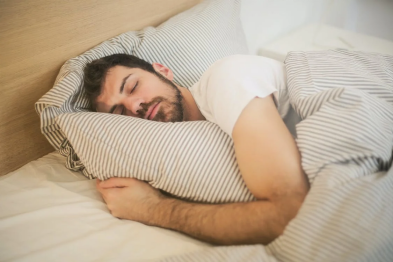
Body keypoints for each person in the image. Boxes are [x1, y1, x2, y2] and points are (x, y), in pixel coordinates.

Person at [83, 53, 309, 245]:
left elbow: (290, 214)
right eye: (120, 113)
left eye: (133, 86)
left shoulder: (226, 79)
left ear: (162, 71)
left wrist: (151, 209)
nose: (134, 106)